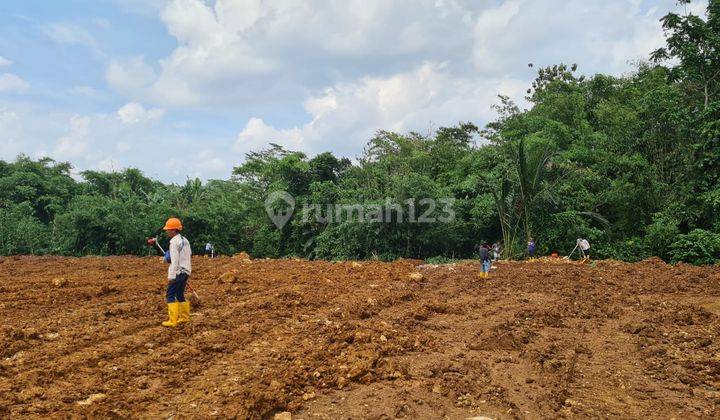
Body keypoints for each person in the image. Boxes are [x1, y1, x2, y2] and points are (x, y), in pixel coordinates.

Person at [161, 217, 192, 327]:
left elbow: (174, 261)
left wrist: (171, 276)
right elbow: (188, 255)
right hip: (186, 271)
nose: (167, 232)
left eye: (168, 230)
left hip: (178, 272)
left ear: (174, 230)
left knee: (170, 295)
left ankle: (172, 320)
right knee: (179, 294)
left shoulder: (174, 242)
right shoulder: (185, 240)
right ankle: (184, 318)